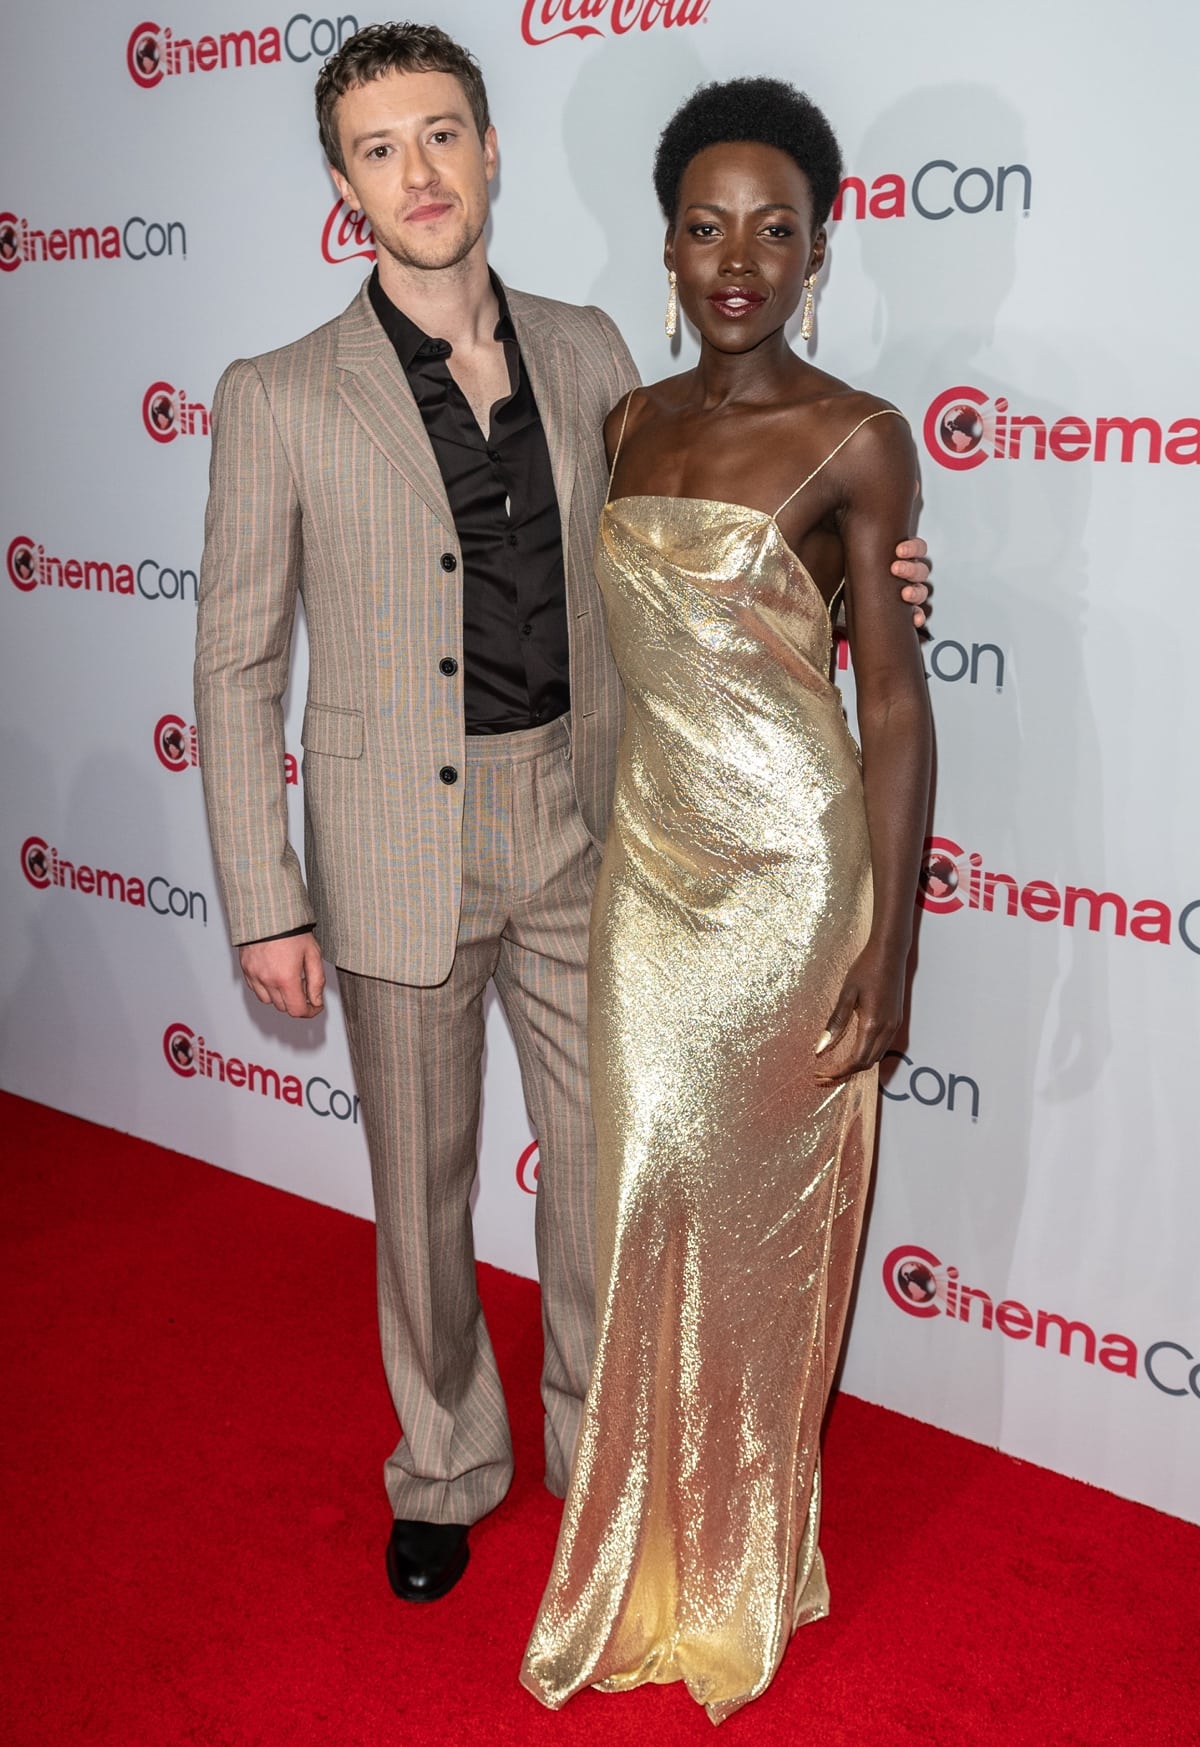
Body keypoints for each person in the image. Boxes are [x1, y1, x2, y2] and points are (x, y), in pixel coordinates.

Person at [194, 24, 931, 1611]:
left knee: (614, 1172)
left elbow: (695, 547)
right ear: (343, 187)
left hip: (597, 833)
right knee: (425, 1188)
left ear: (490, 149)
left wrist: (860, 590)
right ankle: (448, 1461)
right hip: (397, 850)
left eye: (444, 134)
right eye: (382, 150)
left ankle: (610, 1452)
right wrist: (264, 897)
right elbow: (236, 660)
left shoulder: (595, 353)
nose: (421, 173)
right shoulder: (277, 396)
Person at [521, 78, 933, 1722]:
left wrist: (890, 950)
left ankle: (741, 1560)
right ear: (669, 244)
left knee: (763, 1246)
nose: (736, 258)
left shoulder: (855, 435)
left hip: (790, 886)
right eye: (706, 227)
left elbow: (893, 708)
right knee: (647, 1215)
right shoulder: (630, 424)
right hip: (651, 881)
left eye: (774, 228)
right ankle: (643, 1543)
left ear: (818, 246)